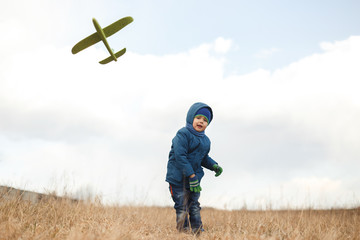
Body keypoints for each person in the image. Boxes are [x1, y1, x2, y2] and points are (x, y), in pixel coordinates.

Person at [165, 102, 223, 235]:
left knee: (194, 206)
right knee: (182, 206)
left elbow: (203, 158)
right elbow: (180, 157)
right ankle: (183, 232)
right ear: (191, 118)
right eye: (198, 118)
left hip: (194, 180)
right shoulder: (182, 134)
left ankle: (198, 231)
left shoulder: (206, 141)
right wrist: (191, 175)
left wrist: (214, 165)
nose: (201, 122)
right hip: (178, 179)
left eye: (205, 120)